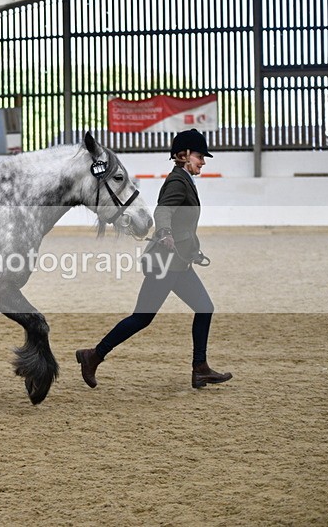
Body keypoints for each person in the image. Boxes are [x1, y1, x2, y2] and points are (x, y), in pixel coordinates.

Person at [76, 128, 232, 389]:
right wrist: (165, 232)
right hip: (165, 264)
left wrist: (190, 247)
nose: (203, 161)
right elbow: (163, 212)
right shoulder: (177, 182)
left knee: (204, 308)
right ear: (183, 156)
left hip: (178, 263)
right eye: (200, 156)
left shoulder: (185, 180)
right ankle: (93, 355)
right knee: (142, 317)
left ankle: (200, 369)